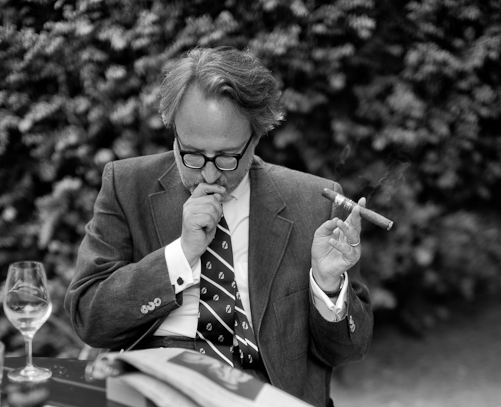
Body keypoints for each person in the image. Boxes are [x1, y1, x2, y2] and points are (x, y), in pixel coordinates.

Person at [64, 46, 373, 407]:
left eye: (227, 158)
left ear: (256, 138)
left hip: (266, 394)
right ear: (173, 131)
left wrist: (327, 285)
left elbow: (348, 350)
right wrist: (181, 255)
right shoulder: (127, 185)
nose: (209, 174)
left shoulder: (313, 202)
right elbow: (90, 318)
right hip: (153, 387)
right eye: (192, 154)